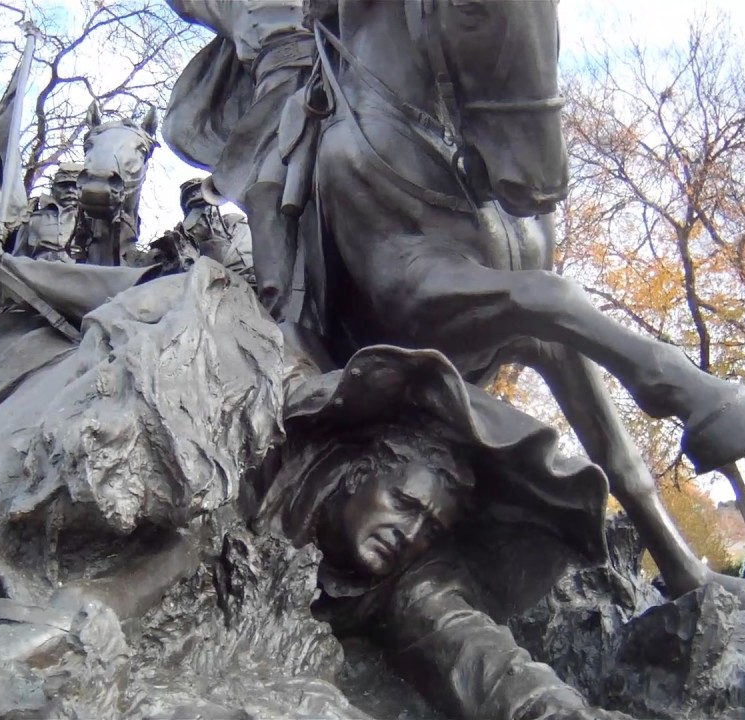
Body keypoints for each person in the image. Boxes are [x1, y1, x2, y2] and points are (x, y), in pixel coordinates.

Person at [251, 332, 630, 720]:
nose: (410, 534)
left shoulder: (411, 579)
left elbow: (477, 656)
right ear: (360, 472)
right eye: (404, 504)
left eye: (430, 529)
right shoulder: (259, 444)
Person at [162, 0, 318, 320]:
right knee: (268, 186)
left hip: (340, 71)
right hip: (277, 98)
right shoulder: (233, 5)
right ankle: (286, 308)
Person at [10, 163, 83, 262]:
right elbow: (18, 258)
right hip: (39, 273)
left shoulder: (90, 222)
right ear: (53, 189)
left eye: (75, 186)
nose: (70, 190)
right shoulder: (33, 220)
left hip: (76, 274)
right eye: (63, 186)